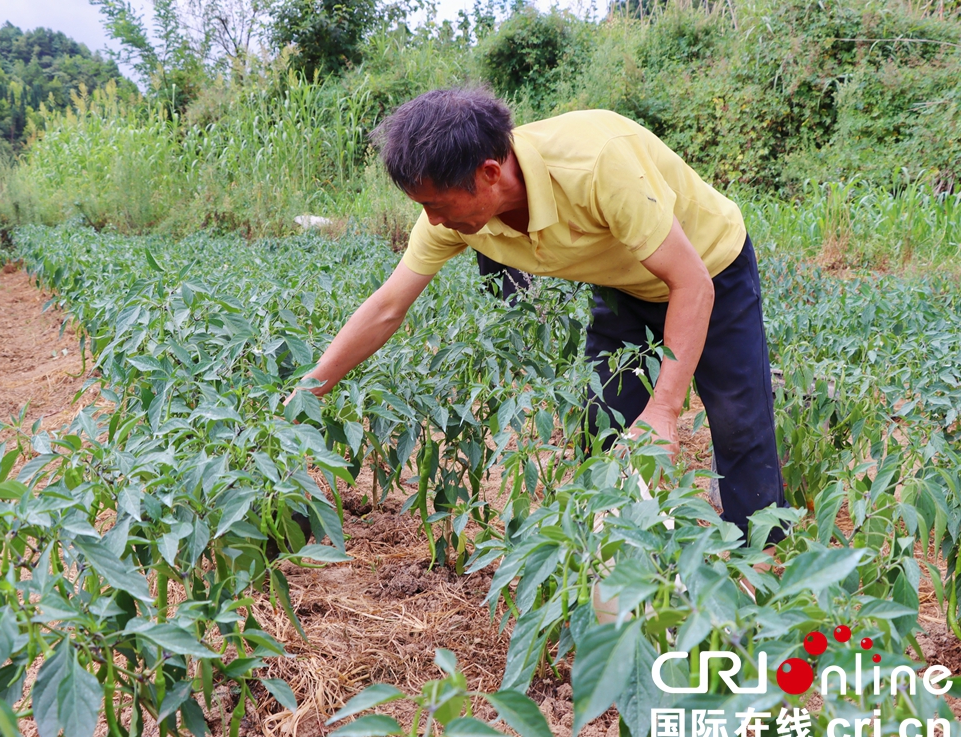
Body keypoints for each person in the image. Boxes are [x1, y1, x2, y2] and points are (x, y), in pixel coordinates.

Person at [285, 87, 789, 551]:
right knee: (604, 423)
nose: (433, 220)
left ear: (488, 173)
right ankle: (614, 555)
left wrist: (664, 410)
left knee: (738, 421)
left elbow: (691, 283)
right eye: (424, 207)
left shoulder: (597, 165)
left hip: (708, 269)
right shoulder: (454, 214)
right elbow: (388, 306)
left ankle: (764, 565)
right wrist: (309, 389)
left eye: (437, 205)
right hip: (624, 285)